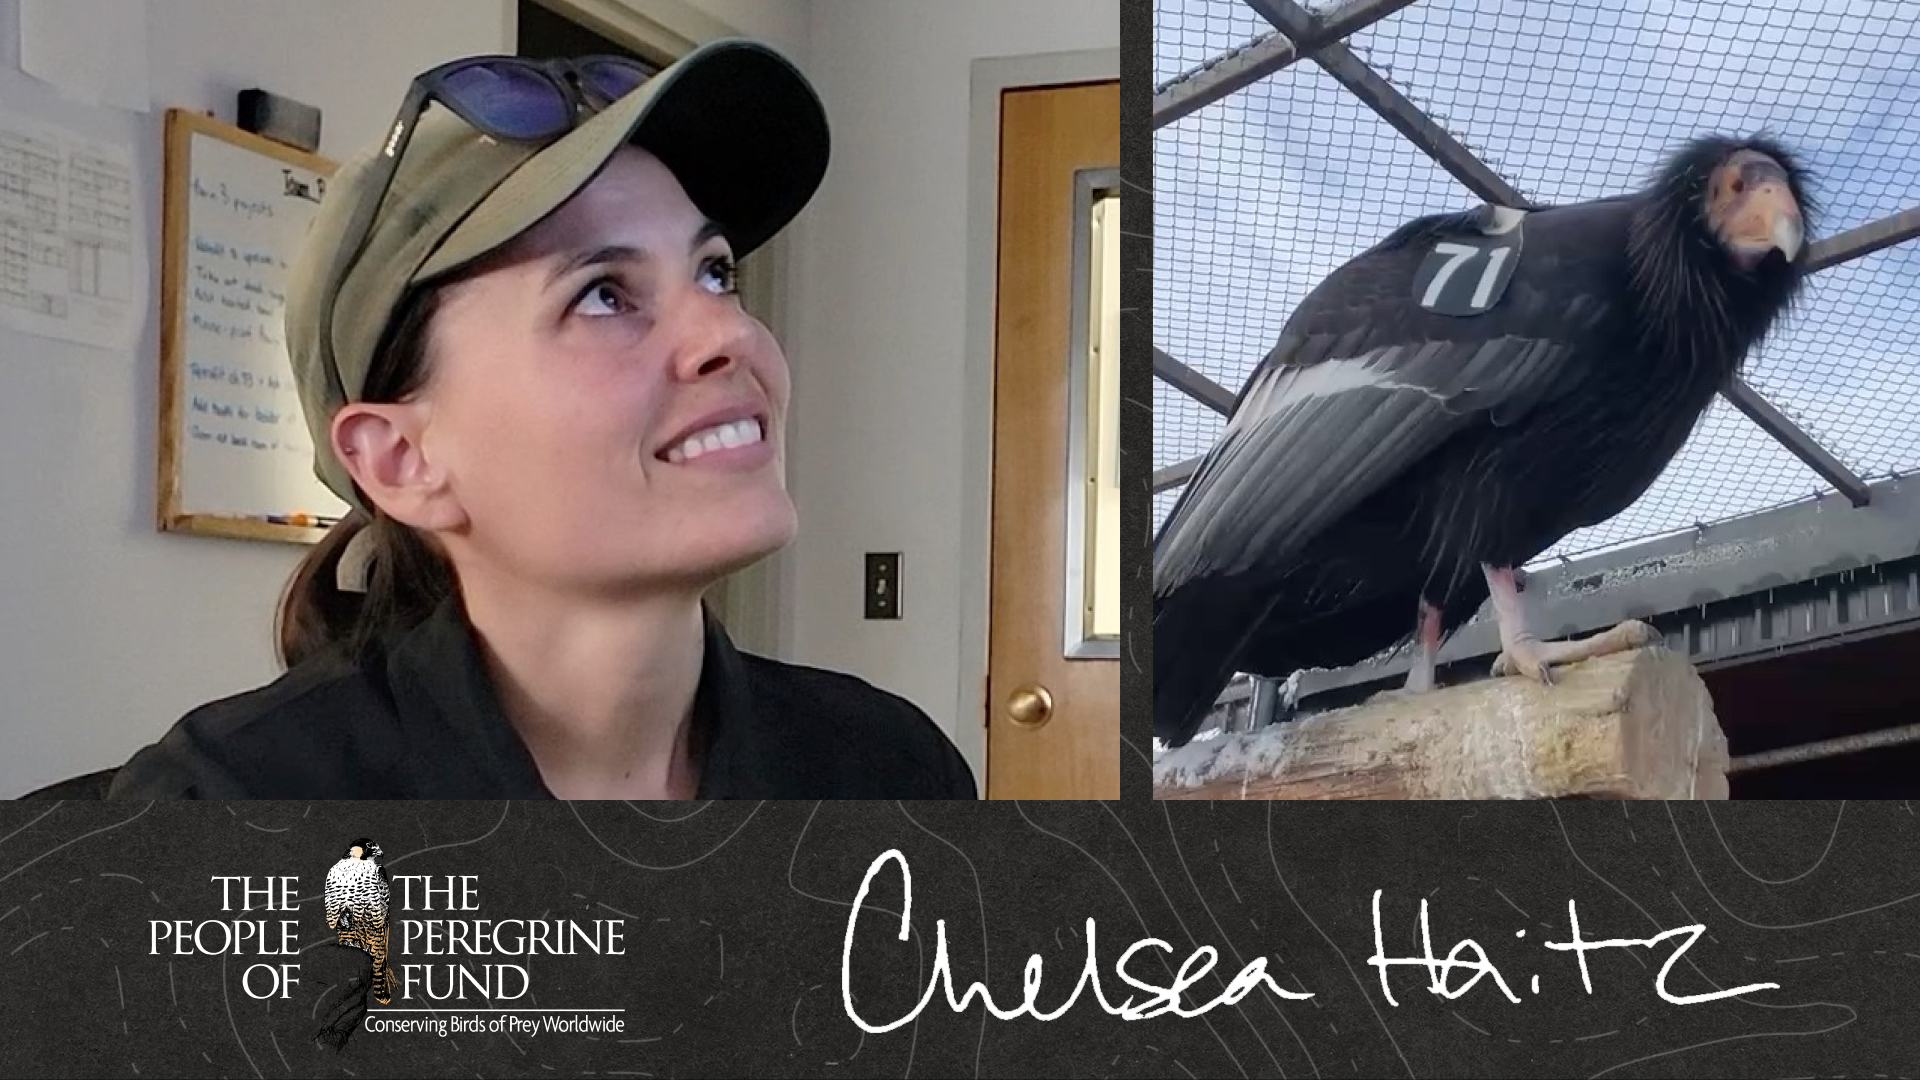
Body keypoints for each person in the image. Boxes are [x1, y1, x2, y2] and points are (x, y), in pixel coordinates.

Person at [106, 39, 977, 799]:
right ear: (402, 460)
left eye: (715, 272)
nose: (730, 333)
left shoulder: (887, 772)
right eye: (604, 295)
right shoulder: (231, 808)